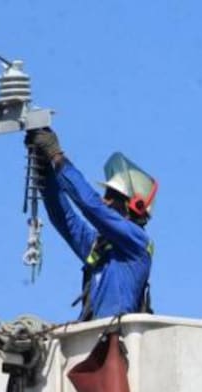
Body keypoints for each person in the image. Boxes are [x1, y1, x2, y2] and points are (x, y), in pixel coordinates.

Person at [25, 128, 157, 321]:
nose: (105, 201)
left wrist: (56, 156)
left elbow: (91, 206)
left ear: (134, 206)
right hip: (93, 337)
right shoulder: (100, 247)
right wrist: (44, 170)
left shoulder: (137, 243)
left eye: (111, 196)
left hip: (115, 340)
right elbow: (64, 218)